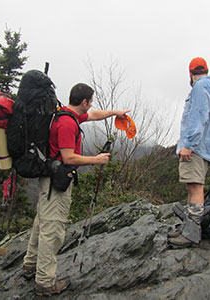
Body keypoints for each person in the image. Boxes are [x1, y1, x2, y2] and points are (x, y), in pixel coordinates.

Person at [22, 83, 130, 296]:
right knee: (52, 229)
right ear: (84, 102)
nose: (91, 106)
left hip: (49, 180)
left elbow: (94, 115)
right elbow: (68, 157)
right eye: (90, 101)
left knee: (42, 222)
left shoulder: (66, 114)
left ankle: (30, 265)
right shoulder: (67, 124)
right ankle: (44, 282)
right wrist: (96, 160)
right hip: (57, 181)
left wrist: (115, 112)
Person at [167, 57, 210, 249]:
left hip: (197, 147)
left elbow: (198, 116)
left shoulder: (199, 87)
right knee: (194, 185)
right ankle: (188, 229)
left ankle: (191, 235)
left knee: (195, 187)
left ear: (190, 74)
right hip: (206, 145)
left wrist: (189, 144)